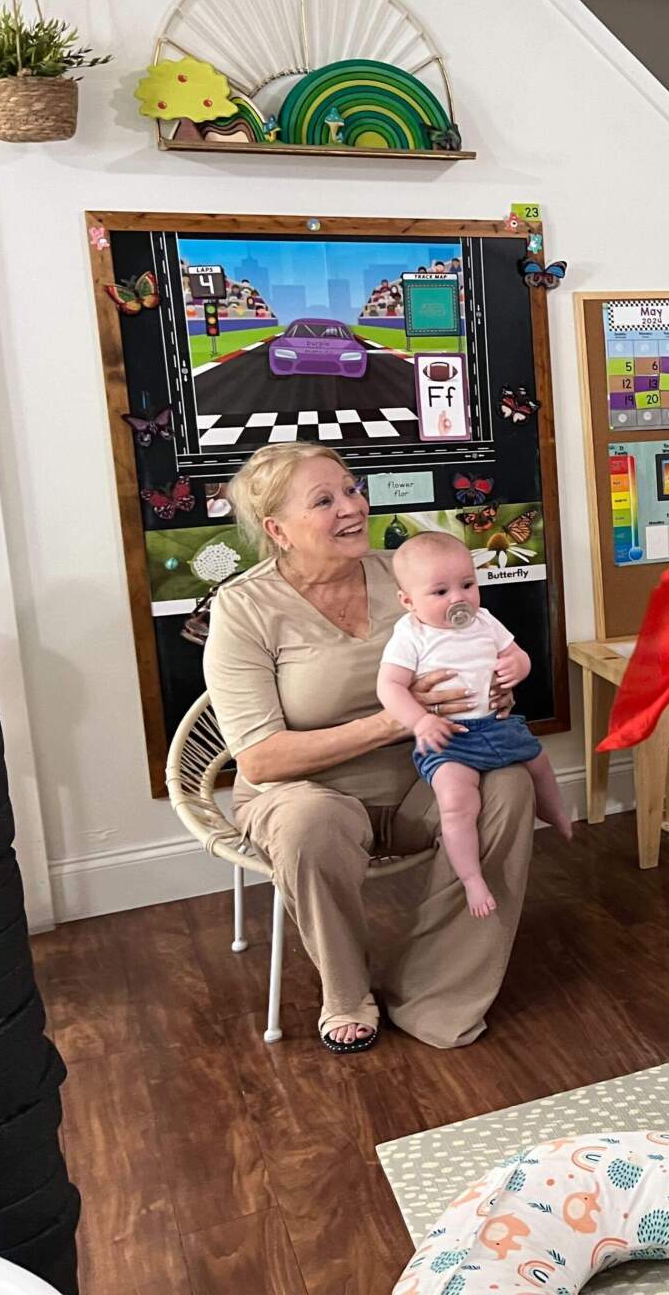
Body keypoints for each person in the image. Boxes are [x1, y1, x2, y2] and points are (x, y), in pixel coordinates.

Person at [203, 443, 538, 1053]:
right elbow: (260, 760)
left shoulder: (409, 574)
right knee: (310, 823)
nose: (352, 507)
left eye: (352, 490)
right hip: (304, 793)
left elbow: (481, 655)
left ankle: (438, 990)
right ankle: (346, 992)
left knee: (510, 784)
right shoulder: (244, 607)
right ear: (277, 530)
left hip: (425, 776)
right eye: (324, 500)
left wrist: (495, 693)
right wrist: (395, 721)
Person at [378, 532, 569, 918]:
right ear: (408, 601)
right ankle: (471, 878)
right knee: (456, 803)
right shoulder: (411, 635)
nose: (458, 599)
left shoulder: (484, 620)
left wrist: (518, 666)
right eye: (440, 592)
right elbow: (390, 687)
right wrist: (421, 721)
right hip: (450, 738)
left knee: (539, 764)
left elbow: (517, 655)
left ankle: (556, 813)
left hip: (495, 724)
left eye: (467, 584)